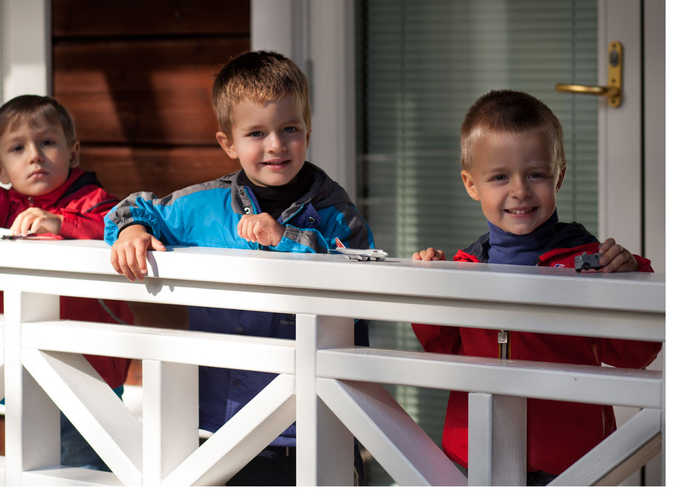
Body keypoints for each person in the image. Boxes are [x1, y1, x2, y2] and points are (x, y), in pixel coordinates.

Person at [105, 50, 373, 485]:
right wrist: (132, 230)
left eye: (290, 129)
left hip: (314, 421)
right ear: (228, 143)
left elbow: (361, 284)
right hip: (223, 422)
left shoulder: (335, 212)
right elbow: (134, 208)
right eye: (256, 133)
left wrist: (286, 239)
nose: (276, 145)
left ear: (308, 131)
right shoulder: (206, 205)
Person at [411, 89, 662, 485]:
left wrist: (632, 275)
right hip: (481, 449)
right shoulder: (465, 267)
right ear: (471, 184)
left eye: (536, 174)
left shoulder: (593, 263)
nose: (520, 191)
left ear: (558, 175)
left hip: (574, 459)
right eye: (500, 177)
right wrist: (429, 291)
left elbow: (636, 353)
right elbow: (444, 348)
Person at [0, 94, 134, 471]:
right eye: (17, 148)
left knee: (83, 474)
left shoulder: (94, 201)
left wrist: (61, 224)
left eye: (47, 142)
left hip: (87, 372)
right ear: (0, 169)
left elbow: (115, 225)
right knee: (28, 469)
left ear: (73, 152)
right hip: (10, 367)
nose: (35, 155)